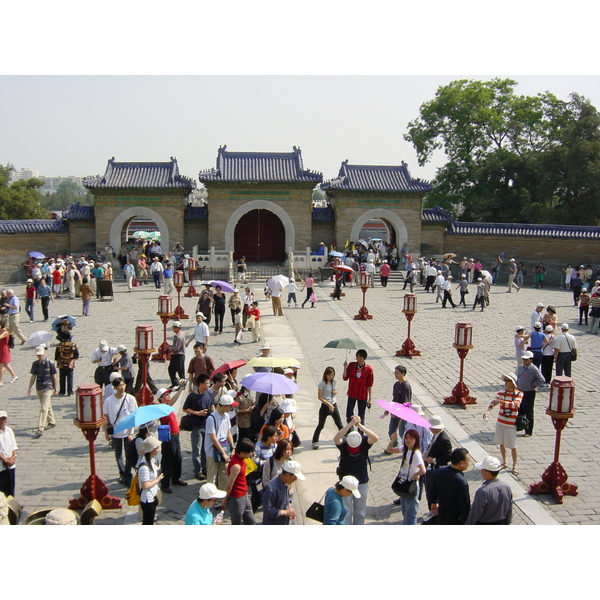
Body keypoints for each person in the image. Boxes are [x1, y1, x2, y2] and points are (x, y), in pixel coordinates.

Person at [333, 415, 378, 525]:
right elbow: (336, 438)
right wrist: (350, 425)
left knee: (360, 511)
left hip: (361, 482)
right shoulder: (344, 443)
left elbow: (375, 438)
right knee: (346, 511)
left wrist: (359, 425)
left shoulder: (363, 442)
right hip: (346, 483)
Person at [483, 373, 523, 474]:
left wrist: (501, 402)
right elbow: (494, 402)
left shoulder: (519, 393)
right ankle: (504, 462)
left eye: (507, 380)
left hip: (511, 423)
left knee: (512, 445)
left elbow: (515, 405)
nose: (505, 382)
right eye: (505, 380)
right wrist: (488, 411)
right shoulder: (501, 392)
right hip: (501, 421)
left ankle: (515, 465)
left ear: (513, 382)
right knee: (501, 443)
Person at [386, 429, 427, 524]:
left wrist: (416, 474)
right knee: (405, 513)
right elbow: (389, 450)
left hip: (411, 487)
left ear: (416, 440)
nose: (408, 440)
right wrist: (392, 440)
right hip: (404, 485)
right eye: (407, 438)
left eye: (411, 438)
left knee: (410, 516)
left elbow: (423, 470)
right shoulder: (405, 449)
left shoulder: (416, 453)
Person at [104, 377, 137, 485]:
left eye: (123, 385)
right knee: (118, 454)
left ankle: (127, 474)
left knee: (129, 454)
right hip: (115, 431)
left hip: (127, 431)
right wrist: (106, 433)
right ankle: (122, 473)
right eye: (119, 386)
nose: (122, 387)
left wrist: (131, 432)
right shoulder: (109, 401)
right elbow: (106, 417)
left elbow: (133, 416)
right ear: (114, 388)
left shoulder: (130, 399)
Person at [155, 386, 188, 493]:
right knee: (168, 460)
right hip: (168, 436)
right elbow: (173, 401)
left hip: (176, 434)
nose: (169, 396)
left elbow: (173, 400)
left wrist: (180, 390)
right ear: (160, 398)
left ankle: (176, 478)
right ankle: (165, 483)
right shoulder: (161, 407)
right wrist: (180, 390)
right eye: (166, 395)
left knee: (178, 458)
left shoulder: (167, 406)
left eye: (169, 394)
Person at [465, 456, 513, 525]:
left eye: (482, 470)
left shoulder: (483, 491)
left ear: (487, 473)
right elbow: (509, 510)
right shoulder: (506, 487)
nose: (481, 471)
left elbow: (475, 514)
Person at [429, 447, 471, 525]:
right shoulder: (462, 482)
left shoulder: (440, 471)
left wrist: (433, 502)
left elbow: (433, 489)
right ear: (461, 463)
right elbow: (465, 506)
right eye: (468, 461)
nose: (469, 463)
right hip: (455, 518)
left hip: (442, 513)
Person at [205, 393, 238, 488]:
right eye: (230, 406)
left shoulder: (227, 416)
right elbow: (213, 438)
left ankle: (221, 498)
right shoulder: (211, 418)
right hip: (213, 450)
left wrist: (232, 447)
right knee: (212, 476)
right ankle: (209, 498)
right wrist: (223, 453)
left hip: (225, 447)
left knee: (224, 474)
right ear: (224, 406)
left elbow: (228, 432)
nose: (231, 408)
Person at [222, 437, 256, 525]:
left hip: (244, 494)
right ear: (242, 453)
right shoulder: (236, 466)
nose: (251, 454)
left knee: (251, 521)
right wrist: (225, 499)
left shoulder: (240, 458)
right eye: (249, 452)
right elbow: (229, 485)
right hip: (237, 498)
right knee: (236, 522)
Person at [423, 415, 453, 509]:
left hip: (436, 470)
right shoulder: (436, 435)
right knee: (429, 492)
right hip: (429, 468)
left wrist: (434, 460)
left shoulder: (444, 439)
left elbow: (448, 456)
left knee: (432, 493)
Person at [28, 345, 58, 437]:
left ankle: (40, 428)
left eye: (41, 354)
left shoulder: (50, 363)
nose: (40, 356)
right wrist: (29, 388)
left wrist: (56, 388)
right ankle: (52, 422)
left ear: (44, 353)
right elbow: (33, 376)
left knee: (43, 408)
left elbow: (54, 376)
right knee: (47, 406)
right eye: (38, 355)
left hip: (48, 388)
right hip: (39, 388)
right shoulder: (35, 364)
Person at [262, 460, 305, 525]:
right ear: (287, 475)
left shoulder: (285, 481)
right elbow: (268, 510)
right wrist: (285, 512)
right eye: (295, 477)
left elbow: (286, 499)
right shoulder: (272, 488)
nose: (296, 480)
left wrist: (290, 508)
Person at [516, 351, 547, 437]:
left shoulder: (534, 369)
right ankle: (519, 426)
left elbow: (542, 379)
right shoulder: (521, 367)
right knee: (519, 410)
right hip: (519, 391)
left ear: (531, 360)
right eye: (523, 359)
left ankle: (528, 430)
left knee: (528, 412)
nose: (524, 361)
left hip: (529, 392)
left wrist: (533, 385)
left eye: (526, 359)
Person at [312, 366, 343, 449]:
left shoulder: (334, 382)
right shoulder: (322, 384)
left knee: (339, 424)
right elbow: (320, 397)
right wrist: (328, 404)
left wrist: (335, 392)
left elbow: (336, 390)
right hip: (326, 406)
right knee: (321, 425)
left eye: (332, 375)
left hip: (334, 404)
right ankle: (314, 441)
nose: (330, 377)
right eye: (329, 375)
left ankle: (345, 439)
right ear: (325, 375)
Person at [342, 349, 374, 424]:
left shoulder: (369, 369)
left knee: (361, 416)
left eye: (360, 357)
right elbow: (345, 378)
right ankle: (350, 431)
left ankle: (361, 433)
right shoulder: (351, 365)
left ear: (364, 358)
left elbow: (370, 385)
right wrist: (345, 368)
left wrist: (370, 399)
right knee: (349, 414)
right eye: (357, 356)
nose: (358, 358)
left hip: (362, 395)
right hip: (352, 393)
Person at [138, 436, 164, 525]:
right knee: (148, 522)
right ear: (151, 449)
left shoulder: (152, 459)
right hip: (147, 499)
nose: (159, 450)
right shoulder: (144, 467)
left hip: (152, 496)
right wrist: (157, 480)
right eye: (157, 448)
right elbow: (145, 486)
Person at [385, 364, 412, 446]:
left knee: (402, 432)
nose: (395, 374)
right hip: (394, 413)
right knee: (391, 431)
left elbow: (406, 403)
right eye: (395, 372)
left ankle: (407, 447)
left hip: (402, 414)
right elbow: (394, 399)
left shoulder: (406, 386)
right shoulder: (396, 384)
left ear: (403, 373)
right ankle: (394, 446)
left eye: (397, 373)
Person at [54, 330, 79, 397]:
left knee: (62, 378)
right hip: (70, 364)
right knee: (70, 378)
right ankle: (70, 391)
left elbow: (56, 357)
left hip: (62, 365)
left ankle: (62, 391)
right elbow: (76, 355)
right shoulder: (73, 345)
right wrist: (72, 361)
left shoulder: (59, 346)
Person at [0, 410, 18, 498]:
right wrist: (5, 460)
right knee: (3, 487)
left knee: (11, 485)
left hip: (11, 464)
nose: (2, 422)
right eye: (0, 419)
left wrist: (13, 457)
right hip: (1, 465)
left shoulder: (9, 430)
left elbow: (14, 446)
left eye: (3, 419)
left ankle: (11, 504)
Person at [168, 321, 186, 386]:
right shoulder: (178, 334)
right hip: (175, 355)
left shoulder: (179, 337)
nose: (173, 329)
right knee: (171, 370)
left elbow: (176, 348)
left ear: (177, 328)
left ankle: (183, 384)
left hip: (179, 355)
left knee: (180, 372)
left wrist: (169, 347)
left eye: (173, 328)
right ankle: (175, 383)